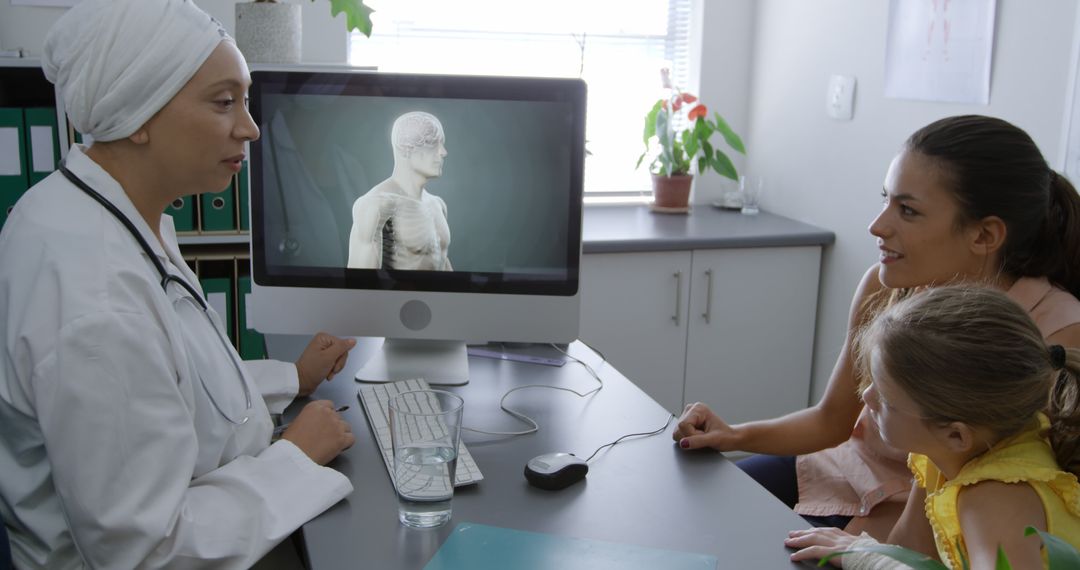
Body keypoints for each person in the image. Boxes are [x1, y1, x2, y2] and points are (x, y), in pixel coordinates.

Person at [0, 1, 357, 567]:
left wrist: (291, 376)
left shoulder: (95, 211)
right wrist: (295, 456)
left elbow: (172, 387)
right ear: (137, 112)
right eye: (224, 102)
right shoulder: (96, 303)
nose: (252, 127)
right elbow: (146, 551)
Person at [673, 115, 1080, 537]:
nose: (877, 225)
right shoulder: (885, 287)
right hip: (839, 467)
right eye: (885, 200)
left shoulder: (1055, 333)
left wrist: (867, 547)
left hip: (927, 512)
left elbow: (1009, 495)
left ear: (984, 235)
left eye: (907, 210)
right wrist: (733, 434)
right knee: (692, 514)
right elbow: (832, 421)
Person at [785, 286, 1080, 568]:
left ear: (956, 433)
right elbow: (910, 550)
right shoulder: (947, 451)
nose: (866, 397)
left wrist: (870, 560)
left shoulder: (995, 498)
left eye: (886, 399)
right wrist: (867, 553)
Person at [347, 111, 452, 270]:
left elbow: (443, 265)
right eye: (433, 143)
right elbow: (360, 285)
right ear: (405, 149)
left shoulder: (438, 205)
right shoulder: (376, 205)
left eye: (442, 144)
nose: (443, 152)